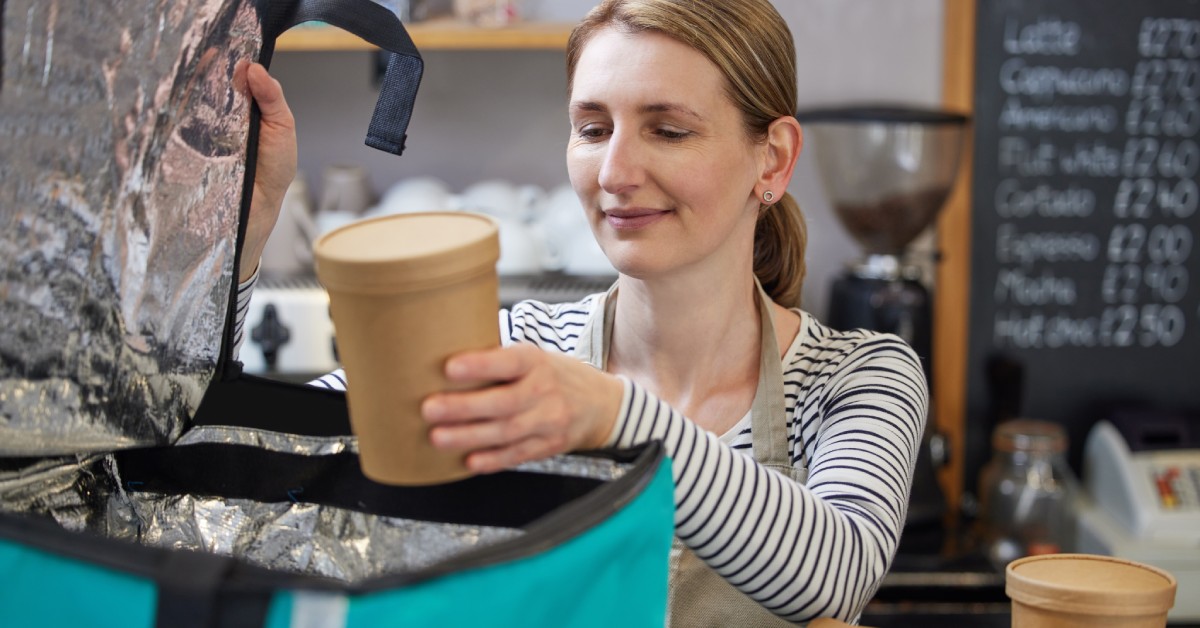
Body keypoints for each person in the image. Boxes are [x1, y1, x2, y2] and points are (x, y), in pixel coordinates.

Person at [237, 0, 927, 624]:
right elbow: (249, 452)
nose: (614, 173)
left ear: (772, 160)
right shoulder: (519, 349)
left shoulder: (858, 378)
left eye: (669, 131)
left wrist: (614, 415)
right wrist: (239, 236)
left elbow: (837, 571)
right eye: (593, 128)